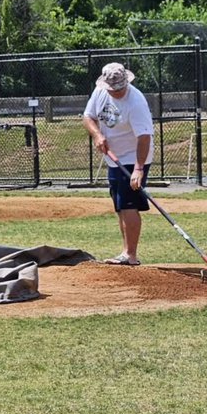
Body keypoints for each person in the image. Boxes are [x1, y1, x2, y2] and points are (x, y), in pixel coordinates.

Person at [83, 62, 154, 265]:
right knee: (120, 205)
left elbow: (144, 137)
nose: (116, 92)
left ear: (127, 83)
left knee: (129, 204)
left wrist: (139, 169)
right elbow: (88, 117)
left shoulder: (136, 102)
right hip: (114, 158)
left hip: (135, 157)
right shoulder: (100, 91)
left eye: (120, 88)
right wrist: (97, 135)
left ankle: (131, 255)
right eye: (112, 89)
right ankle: (125, 252)